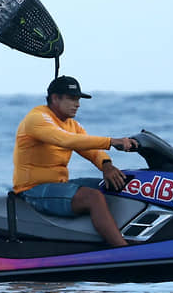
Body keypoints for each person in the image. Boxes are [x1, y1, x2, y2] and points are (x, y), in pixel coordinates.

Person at [12, 76, 138, 247]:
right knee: (93, 197)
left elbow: (91, 150)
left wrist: (106, 165)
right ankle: (122, 249)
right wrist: (111, 141)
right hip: (32, 190)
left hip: (59, 184)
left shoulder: (71, 124)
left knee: (118, 184)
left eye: (78, 99)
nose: (77, 104)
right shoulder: (37, 119)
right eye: (72, 99)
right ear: (55, 98)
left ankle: (130, 235)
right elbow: (66, 140)